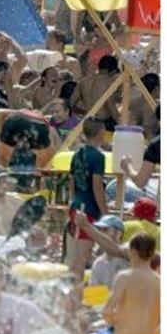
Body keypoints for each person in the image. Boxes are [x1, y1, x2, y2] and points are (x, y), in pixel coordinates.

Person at [101, 233, 161, 334]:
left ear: (133, 252)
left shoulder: (124, 277)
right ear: (152, 254)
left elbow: (107, 311)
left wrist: (115, 322)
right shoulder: (160, 282)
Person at [68, 117, 110, 277]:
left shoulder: (76, 154)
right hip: (88, 209)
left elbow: (71, 182)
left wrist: (72, 203)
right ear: (101, 133)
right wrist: (105, 213)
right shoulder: (98, 157)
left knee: (75, 256)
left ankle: (71, 292)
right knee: (82, 258)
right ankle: (74, 296)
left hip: (76, 206)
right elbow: (97, 187)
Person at [71, 55, 123, 132]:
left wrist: (83, 111)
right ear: (113, 71)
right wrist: (121, 122)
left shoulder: (84, 81)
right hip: (104, 123)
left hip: (87, 120)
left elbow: (71, 102)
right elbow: (110, 105)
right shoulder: (109, 83)